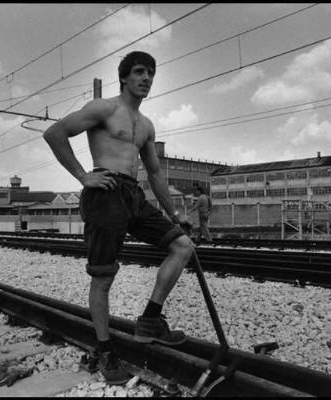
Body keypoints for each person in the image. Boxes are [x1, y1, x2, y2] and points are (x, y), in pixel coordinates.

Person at [43, 51, 194, 385]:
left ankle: (150, 321)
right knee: (104, 277)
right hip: (105, 192)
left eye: (151, 74)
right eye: (140, 72)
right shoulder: (104, 109)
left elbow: (155, 173)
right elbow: (54, 133)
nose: (146, 79)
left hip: (133, 196)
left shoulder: (146, 125)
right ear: (124, 77)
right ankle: (105, 350)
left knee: (183, 246)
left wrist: (175, 213)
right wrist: (84, 177)